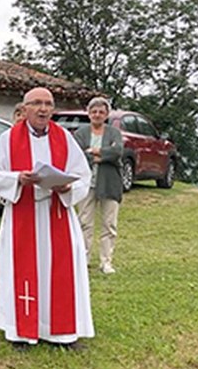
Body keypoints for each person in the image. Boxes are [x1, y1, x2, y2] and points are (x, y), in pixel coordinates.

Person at [0, 87, 94, 350]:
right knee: (21, 272)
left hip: (57, 214)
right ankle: (21, 332)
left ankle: (62, 333)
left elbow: (83, 175)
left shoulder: (64, 138)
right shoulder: (8, 139)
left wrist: (67, 187)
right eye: (37, 103)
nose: (43, 109)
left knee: (61, 272)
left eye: (48, 104)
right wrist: (17, 179)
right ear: (24, 109)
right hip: (23, 214)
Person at [73, 97, 124, 274]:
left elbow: (117, 152)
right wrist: (104, 156)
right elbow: (78, 155)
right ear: (88, 113)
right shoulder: (81, 133)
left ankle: (106, 261)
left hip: (109, 183)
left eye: (101, 112)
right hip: (86, 184)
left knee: (109, 224)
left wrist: (95, 152)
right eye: (94, 111)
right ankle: (83, 259)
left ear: (107, 114)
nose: (97, 115)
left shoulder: (114, 133)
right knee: (84, 222)